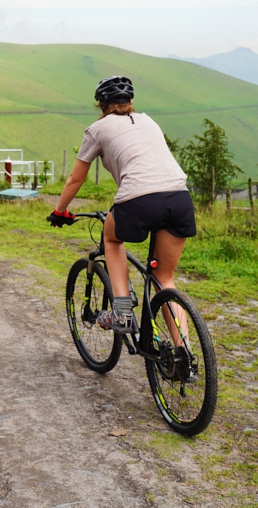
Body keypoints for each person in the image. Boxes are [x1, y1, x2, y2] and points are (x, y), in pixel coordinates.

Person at [47, 76, 197, 333]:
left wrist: (59, 211)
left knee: (112, 239)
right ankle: (184, 354)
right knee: (165, 278)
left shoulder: (97, 129)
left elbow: (75, 179)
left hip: (139, 199)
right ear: (131, 102)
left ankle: (122, 313)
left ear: (102, 105)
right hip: (179, 197)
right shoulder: (149, 121)